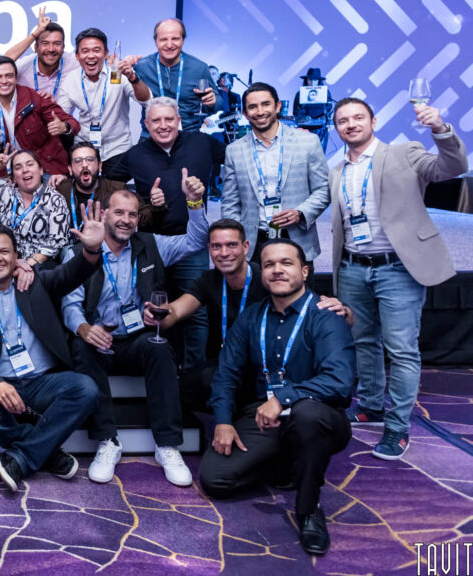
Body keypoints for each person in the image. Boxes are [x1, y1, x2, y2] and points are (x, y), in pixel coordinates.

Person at [330, 97, 467, 459]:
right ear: (336, 128)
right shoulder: (337, 170)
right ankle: (372, 406)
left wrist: (440, 128)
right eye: (343, 120)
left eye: (358, 117)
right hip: (354, 268)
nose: (351, 124)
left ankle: (397, 428)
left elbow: (451, 167)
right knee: (363, 342)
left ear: (373, 120)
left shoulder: (405, 153)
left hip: (398, 268)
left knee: (401, 349)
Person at [200, 239, 355, 556]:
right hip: (265, 416)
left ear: (304, 270)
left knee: (308, 416)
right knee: (215, 480)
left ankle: (309, 509)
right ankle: (292, 463)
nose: (277, 270)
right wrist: (223, 422)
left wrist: (285, 397)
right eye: (269, 264)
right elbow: (227, 373)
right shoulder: (252, 317)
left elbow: (340, 381)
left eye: (286, 263)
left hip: (319, 415)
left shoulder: (325, 315)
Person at [63, 173, 207, 487]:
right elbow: (70, 304)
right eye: (119, 212)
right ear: (104, 215)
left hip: (139, 336)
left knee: (159, 347)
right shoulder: (81, 250)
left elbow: (196, 241)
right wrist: (84, 328)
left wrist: (194, 203)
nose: (126, 220)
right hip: (100, 338)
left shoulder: (152, 244)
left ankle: (167, 445)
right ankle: (107, 441)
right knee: (79, 347)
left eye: (132, 214)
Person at [0, 210, 106, 493]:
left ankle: (21, 457)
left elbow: (74, 272)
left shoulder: (36, 282)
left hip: (42, 381)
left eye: (4, 251)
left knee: (85, 388)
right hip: (0, 384)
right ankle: (45, 448)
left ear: (16, 255)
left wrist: (92, 248)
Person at [144, 219, 350, 413]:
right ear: (209, 250)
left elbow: (319, 310)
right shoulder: (209, 280)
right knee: (184, 389)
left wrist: (344, 311)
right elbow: (176, 311)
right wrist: (160, 315)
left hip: (271, 365)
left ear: (245, 247)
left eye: (231, 245)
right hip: (230, 362)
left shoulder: (268, 278)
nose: (224, 253)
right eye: (216, 246)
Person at [109, 97, 226, 370]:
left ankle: (193, 376)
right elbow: (105, 180)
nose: (163, 126)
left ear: (179, 121)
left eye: (169, 119)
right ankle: (165, 371)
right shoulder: (136, 154)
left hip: (193, 243)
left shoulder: (202, 143)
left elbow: (239, 156)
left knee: (195, 311)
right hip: (152, 246)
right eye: (156, 121)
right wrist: (145, 201)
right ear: (146, 124)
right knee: (155, 310)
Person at [222, 82, 329, 265]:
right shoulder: (234, 150)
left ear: (278, 106)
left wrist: (300, 213)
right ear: (245, 113)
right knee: (255, 294)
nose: (260, 111)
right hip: (254, 243)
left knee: (297, 293)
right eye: (252, 107)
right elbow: (230, 202)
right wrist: (235, 241)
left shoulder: (308, 142)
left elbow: (324, 189)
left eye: (266, 104)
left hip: (296, 238)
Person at [56, 28, 150, 177]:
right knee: (84, 192)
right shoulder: (71, 80)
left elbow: (146, 100)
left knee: (112, 193)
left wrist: (133, 78)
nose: (91, 56)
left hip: (117, 149)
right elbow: (61, 114)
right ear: (77, 56)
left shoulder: (118, 73)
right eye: (85, 51)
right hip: (85, 150)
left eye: (96, 50)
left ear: (106, 53)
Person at [50, 142, 160, 257]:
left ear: (100, 166)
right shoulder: (60, 190)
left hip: (105, 251)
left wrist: (157, 206)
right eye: (78, 161)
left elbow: (143, 218)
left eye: (90, 159)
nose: (84, 165)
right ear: (70, 169)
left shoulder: (116, 188)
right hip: (70, 251)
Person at [0, 56, 78, 177]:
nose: (4, 81)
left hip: (43, 168)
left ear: (16, 77)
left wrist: (65, 127)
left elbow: (73, 123)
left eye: (9, 75)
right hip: (4, 173)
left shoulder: (34, 98)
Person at [0, 150, 71, 269]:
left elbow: (57, 241)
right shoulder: (3, 191)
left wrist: (27, 266)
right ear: (14, 177)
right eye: (18, 167)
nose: (25, 170)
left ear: (41, 170)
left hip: (39, 265)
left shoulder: (55, 199)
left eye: (30, 164)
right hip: (1, 260)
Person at [131, 17, 220, 136]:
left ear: (183, 40)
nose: (169, 45)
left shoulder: (199, 68)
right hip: (151, 137)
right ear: (156, 42)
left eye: (175, 39)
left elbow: (219, 102)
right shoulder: (141, 67)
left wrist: (213, 102)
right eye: (163, 39)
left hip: (188, 136)